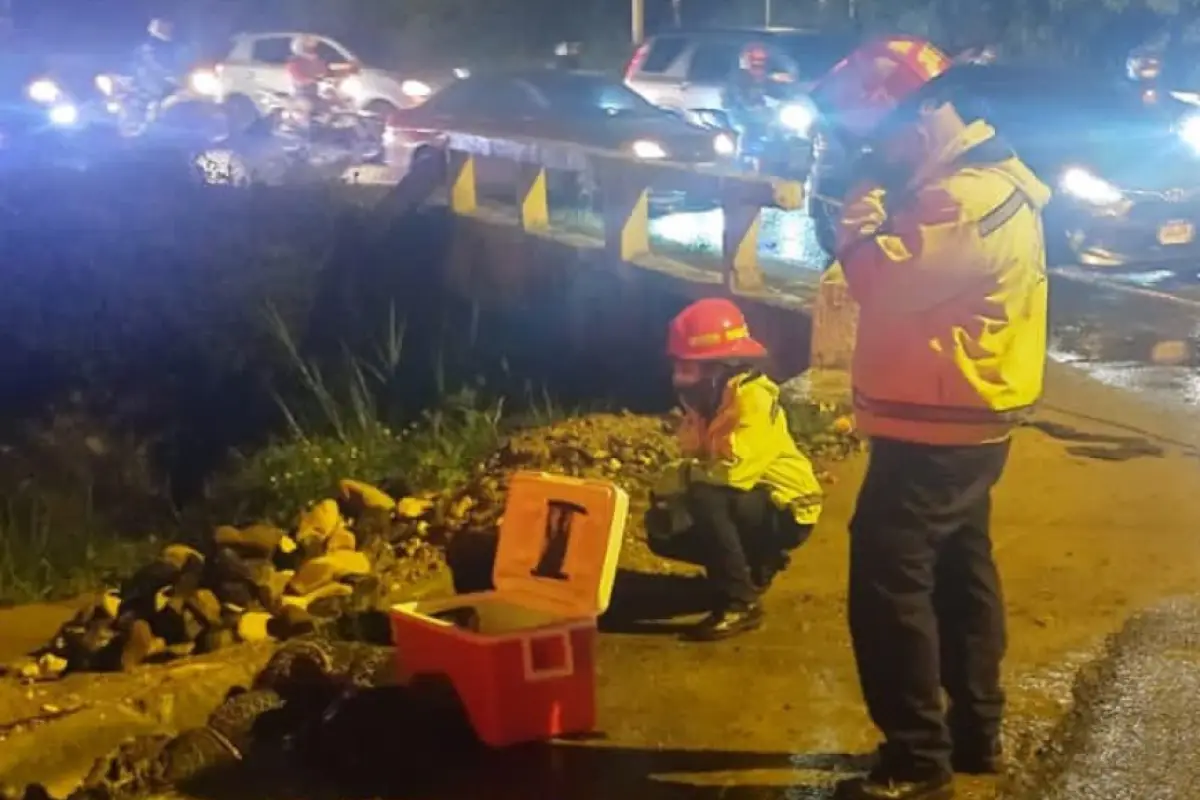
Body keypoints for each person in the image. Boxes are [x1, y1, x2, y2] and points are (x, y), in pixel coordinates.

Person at [808, 36, 1052, 800]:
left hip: (937, 426)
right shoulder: (979, 182)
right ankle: (975, 731)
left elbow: (877, 279)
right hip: (962, 418)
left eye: (874, 136)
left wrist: (853, 214)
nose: (871, 150)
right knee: (959, 570)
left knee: (889, 582)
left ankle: (916, 757)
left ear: (911, 123)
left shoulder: (958, 201)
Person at [645, 298, 823, 642]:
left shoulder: (751, 399)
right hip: (753, 503)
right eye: (680, 367)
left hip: (788, 509)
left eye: (689, 367)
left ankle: (740, 603)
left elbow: (731, 474)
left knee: (705, 497)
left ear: (718, 366)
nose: (680, 377)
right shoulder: (708, 403)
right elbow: (699, 462)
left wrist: (678, 478)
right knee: (665, 525)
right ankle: (752, 569)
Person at [286, 35, 331, 130]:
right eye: (308, 48)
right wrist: (314, 79)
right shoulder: (294, 63)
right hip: (301, 94)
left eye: (312, 48)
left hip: (313, 93)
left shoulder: (315, 61)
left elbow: (323, 71)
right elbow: (299, 77)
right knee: (305, 111)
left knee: (327, 107)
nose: (312, 51)